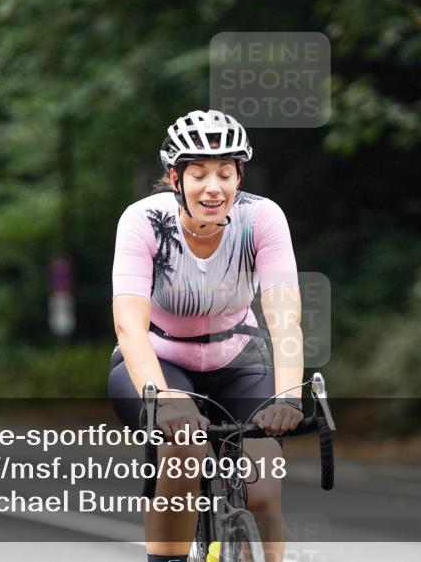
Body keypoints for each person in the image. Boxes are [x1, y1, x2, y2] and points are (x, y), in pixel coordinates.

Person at [108, 110, 305, 562]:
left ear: (240, 176)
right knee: (186, 446)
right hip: (159, 360)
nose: (212, 187)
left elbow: (284, 318)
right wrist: (164, 399)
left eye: (225, 173)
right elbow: (129, 325)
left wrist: (289, 396)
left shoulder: (263, 219)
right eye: (198, 173)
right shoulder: (143, 221)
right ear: (175, 177)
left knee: (263, 486)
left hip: (238, 358)